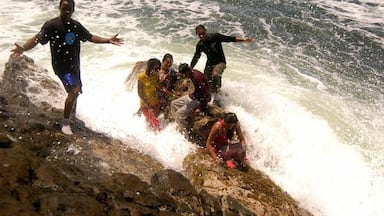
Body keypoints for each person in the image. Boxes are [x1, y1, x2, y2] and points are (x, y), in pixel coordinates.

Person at [10, 0, 124, 135]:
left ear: (73, 10)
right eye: (64, 8)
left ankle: (72, 116)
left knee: (77, 91)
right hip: (61, 66)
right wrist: (23, 48)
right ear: (59, 8)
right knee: (74, 90)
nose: (67, 11)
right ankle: (65, 123)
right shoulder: (51, 25)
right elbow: (37, 39)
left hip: (74, 65)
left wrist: (108, 40)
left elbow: (90, 37)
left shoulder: (75, 26)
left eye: (69, 8)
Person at [190, 24, 254, 95]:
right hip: (210, 63)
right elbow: (196, 57)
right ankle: (212, 94)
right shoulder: (200, 45)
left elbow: (230, 39)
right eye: (199, 34)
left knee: (215, 74)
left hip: (220, 62)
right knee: (206, 80)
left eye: (202, 33)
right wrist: (190, 68)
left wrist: (244, 40)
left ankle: (218, 92)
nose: (201, 36)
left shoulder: (215, 36)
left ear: (206, 31)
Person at [170, 63, 211, 132]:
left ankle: (185, 132)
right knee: (173, 104)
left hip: (199, 100)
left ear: (187, 71)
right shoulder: (192, 73)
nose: (183, 76)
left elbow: (206, 95)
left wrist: (200, 108)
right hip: (194, 97)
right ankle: (181, 123)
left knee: (179, 113)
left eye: (184, 74)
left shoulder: (197, 78)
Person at [137, 58, 162, 130]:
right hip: (146, 105)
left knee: (151, 122)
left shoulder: (156, 76)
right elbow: (140, 93)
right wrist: (148, 106)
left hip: (156, 103)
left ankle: (148, 135)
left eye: (159, 68)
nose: (158, 70)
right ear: (150, 67)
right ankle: (158, 138)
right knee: (156, 124)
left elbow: (158, 87)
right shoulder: (141, 77)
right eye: (156, 68)